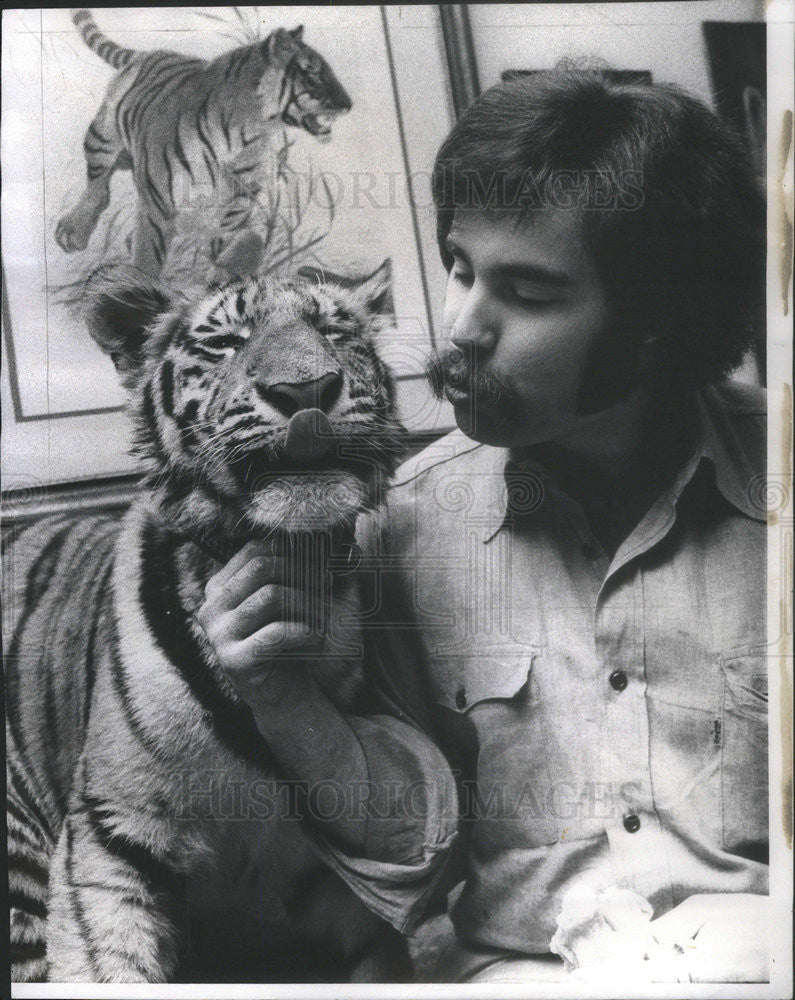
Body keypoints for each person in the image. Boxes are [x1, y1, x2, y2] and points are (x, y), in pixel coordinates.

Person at [196, 68, 769, 982]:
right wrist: (284, 699)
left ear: (658, 319)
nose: (460, 327)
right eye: (460, 270)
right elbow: (409, 866)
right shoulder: (406, 524)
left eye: (529, 294)